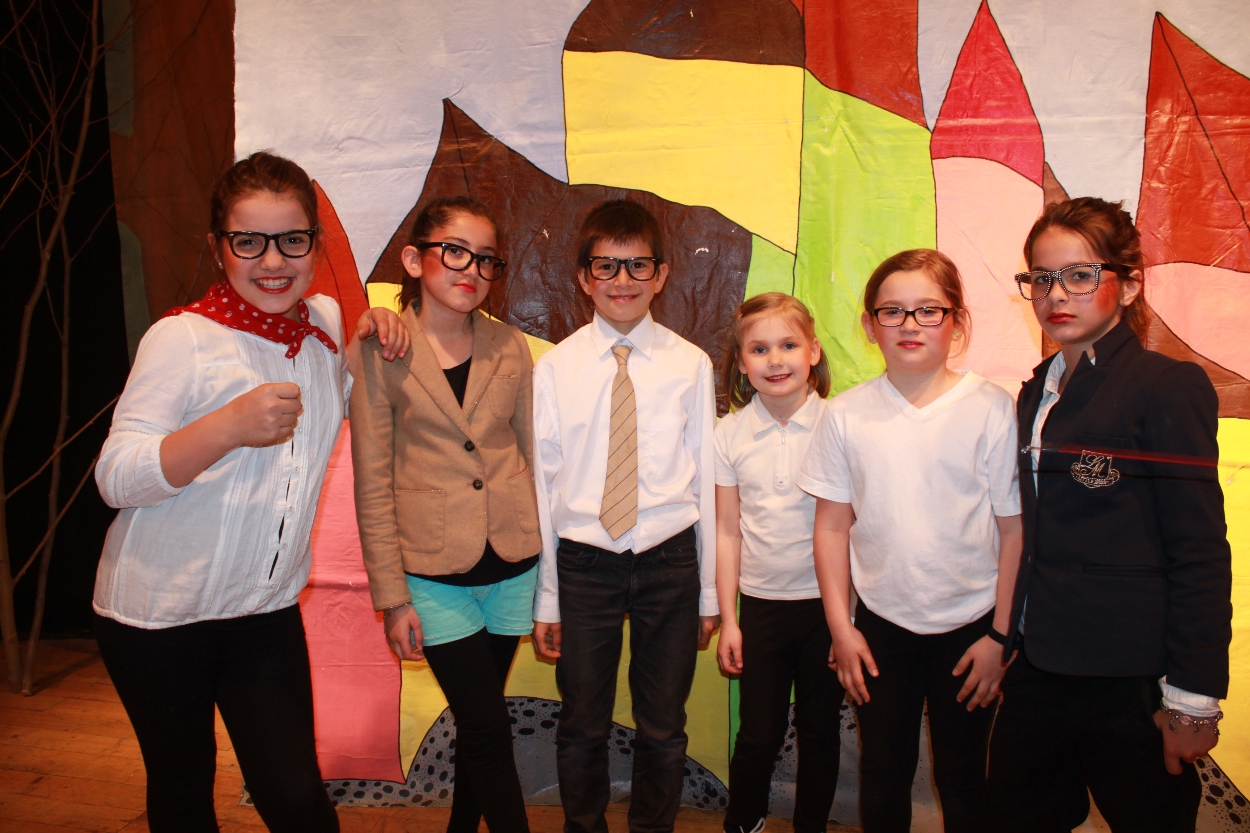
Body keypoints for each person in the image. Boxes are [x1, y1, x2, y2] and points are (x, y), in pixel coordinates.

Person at [93, 150, 409, 833]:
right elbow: (115, 477)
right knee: (184, 792)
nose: (272, 261)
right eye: (249, 241)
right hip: (157, 616)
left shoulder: (324, 324)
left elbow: (352, 400)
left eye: (292, 240)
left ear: (315, 246)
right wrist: (226, 426)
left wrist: (374, 333)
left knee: (298, 800)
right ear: (219, 247)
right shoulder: (181, 339)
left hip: (262, 611)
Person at [985, 197, 1232, 833]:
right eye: (1042, 278)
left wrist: (1193, 699)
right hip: (1039, 664)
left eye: (1079, 275)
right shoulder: (1037, 391)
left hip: (1130, 674)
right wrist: (1006, 636)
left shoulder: (1164, 385)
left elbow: (1199, 551)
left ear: (1129, 285)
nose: (1055, 294)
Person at [799, 249, 1023, 833]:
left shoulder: (992, 409)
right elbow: (831, 526)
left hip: (973, 630)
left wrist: (1001, 636)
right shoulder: (845, 416)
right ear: (870, 325)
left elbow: (1013, 529)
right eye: (892, 311)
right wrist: (842, 627)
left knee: (964, 776)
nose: (909, 324)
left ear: (957, 321)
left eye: (928, 310)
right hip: (881, 629)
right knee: (883, 774)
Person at [350, 196, 540, 833]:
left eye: (486, 259)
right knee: (487, 724)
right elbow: (372, 480)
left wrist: (551, 579)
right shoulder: (382, 346)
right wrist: (392, 598)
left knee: (478, 721)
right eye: (455, 252)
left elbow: (530, 455)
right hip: (431, 574)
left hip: (513, 562)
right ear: (414, 259)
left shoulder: (510, 345)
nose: (472, 270)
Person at [530, 199, 720, 833]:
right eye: (606, 266)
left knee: (662, 724)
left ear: (661, 275)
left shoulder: (690, 364)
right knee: (582, 720)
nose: (623, 280)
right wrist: (548, 599)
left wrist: (709, 592)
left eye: (638, 265)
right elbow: (544, 485)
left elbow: (706, 483)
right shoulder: (555, 368)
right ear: (583, 277)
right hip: (585, 562)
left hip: (670, 560)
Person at [714, 293, 843, 833]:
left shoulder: (841, 424)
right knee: (758, 734)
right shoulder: (728, 434)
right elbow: (726, 531)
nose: (775, 360)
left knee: (820, 733)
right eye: (759, 349)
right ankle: (744, 822)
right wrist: (729, 619)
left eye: (788, 345)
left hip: (829, 610)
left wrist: (848, 621)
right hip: (762, 607)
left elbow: (858, 528)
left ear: (812, 351)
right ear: (742, 362)